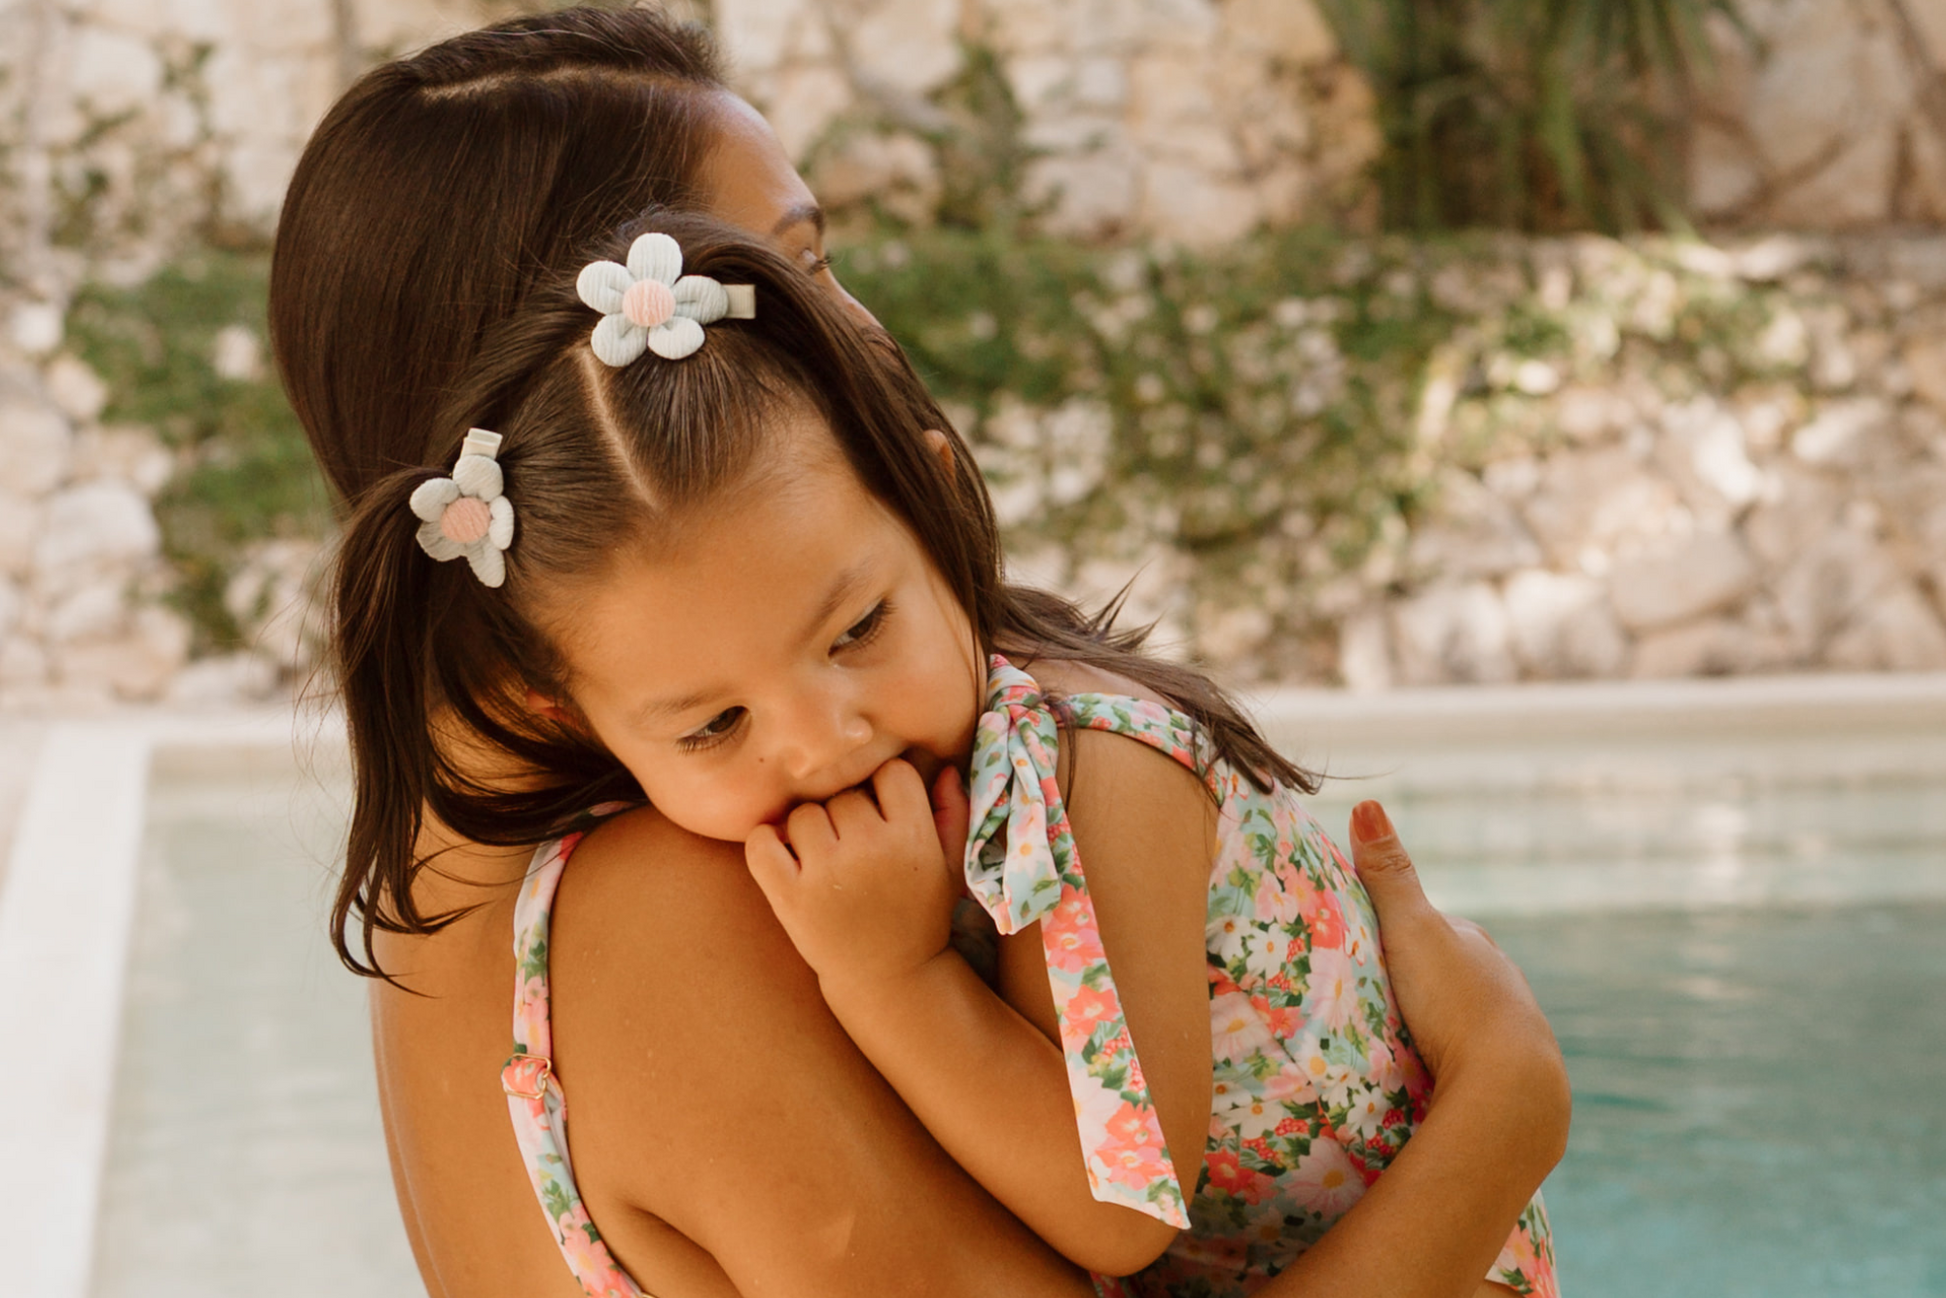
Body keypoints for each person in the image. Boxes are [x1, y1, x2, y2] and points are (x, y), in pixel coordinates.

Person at [270, 9, 1570, 1297]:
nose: (865, 336)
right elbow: (1119, 1208)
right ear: (597, 384)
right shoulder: (663, 911)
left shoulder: (462, 886)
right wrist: (1501, 1113)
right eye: (788, 279)